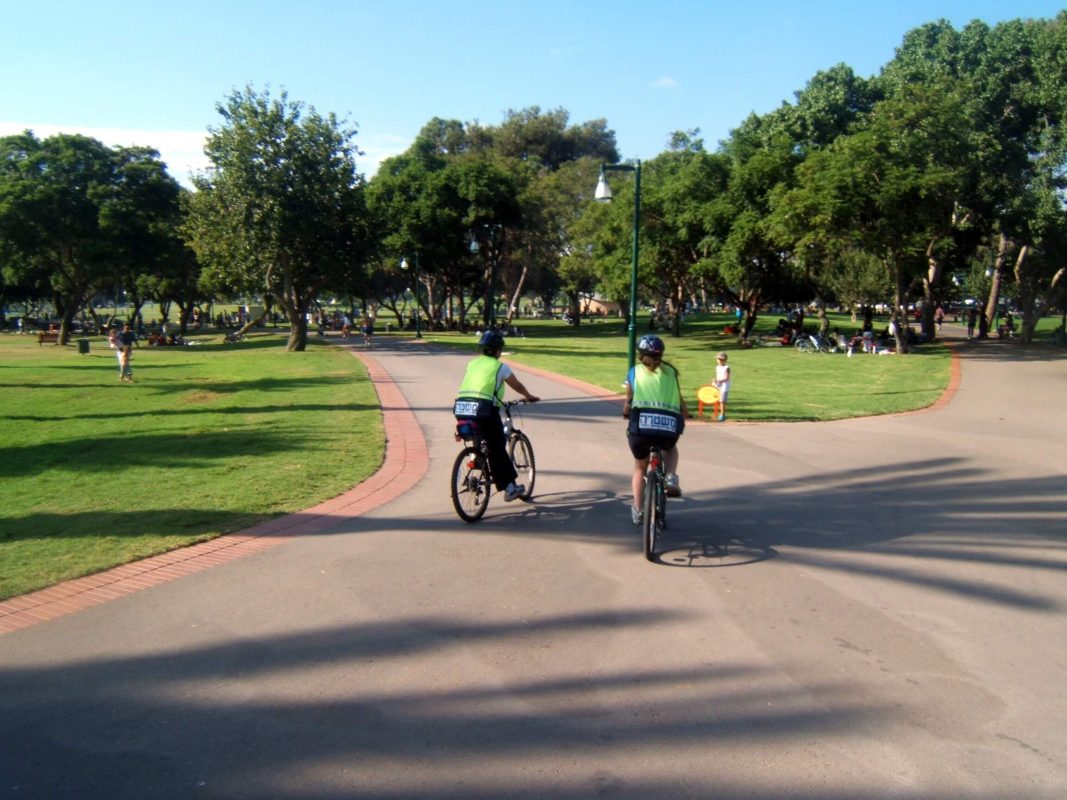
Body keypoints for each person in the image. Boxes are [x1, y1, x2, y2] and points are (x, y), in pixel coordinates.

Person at [454, 330, 540, 501]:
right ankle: (509, 488)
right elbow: (517, 385)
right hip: (484, 409)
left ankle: (476, 458)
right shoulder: (500, 366)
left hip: (462, 407)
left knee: (481, 438)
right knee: (497, 447)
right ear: (498, 350)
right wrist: (528, 396)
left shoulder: (472, 363)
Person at [622, 335, 688, 525]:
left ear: (640, 354)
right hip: (668, 426)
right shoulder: (672, 372)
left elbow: (629, 401)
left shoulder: (634, 372)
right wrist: (686, 411)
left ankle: (638, 509)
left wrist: (626, 412)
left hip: (641, 428)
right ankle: (671, 478)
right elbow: (679, 397)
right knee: (670, 448)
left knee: (639, 468)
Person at [711, 351, 731, 421]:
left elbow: (727, 377)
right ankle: (717, 413)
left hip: (724, 386)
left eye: (720, 359)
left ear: (725, 360)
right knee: (718, 400)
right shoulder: (717, 367)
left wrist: (719, 380)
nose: (719, 361)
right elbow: (718, 376)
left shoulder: (726, 367)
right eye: (718, 359)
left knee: (722, 401)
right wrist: (715, 380)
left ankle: (722, 415)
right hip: (719, 385)